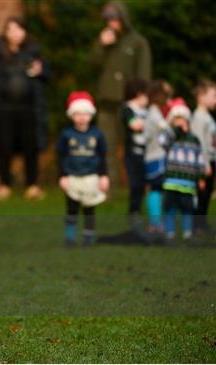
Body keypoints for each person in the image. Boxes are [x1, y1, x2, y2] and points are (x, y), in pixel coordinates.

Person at [0, 17, 49, 200]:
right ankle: (4, 184)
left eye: (19, 29)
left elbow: (46, 74)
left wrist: (41, 71)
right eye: (11, 29)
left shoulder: (33, 52)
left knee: (31, 146)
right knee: (4, 146)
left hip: (29, 109)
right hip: (4, 109)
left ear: (25, 31)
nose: (15, 33)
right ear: (6, 33)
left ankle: (32, 184)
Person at [89, 1, 151, 184]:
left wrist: (142, 98)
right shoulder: (103, 40)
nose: (111, 23)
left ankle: (139, 188)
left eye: (115, 19)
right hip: (107, 102)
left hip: (130, 105)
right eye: (108, 20)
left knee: (136, 149)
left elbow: (144, 73)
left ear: (123, 19)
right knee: (105, 147)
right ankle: (108, 187)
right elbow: (92, 65)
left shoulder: (138, 42)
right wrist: (101, 45)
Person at [56, 91, 109, 246]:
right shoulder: (66, 134)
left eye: (85, 114)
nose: (81, 117)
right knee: (72, 208)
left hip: (91, 177)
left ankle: (88, 236)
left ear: (91, 115)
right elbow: (60, 156)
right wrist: (62, 176)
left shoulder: (97, 134)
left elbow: (102, 156)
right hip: (72, 177)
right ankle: (70, 238)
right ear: (72, 115)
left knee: (89, 208)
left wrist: (103, 176)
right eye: (78, 114)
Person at [160, 98, 206, 245]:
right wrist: (174, 130)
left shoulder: (194, 140)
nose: (180, 122)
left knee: (188, 209)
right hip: (171, 182)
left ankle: (187, 234)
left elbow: (200, 159)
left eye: (182, 119)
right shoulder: (171, 138)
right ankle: (170, 234)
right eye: (176, 119)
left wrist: (201, 177)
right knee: (169, 209)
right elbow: (161, 140)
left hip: (188, 182)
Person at [144, 80, 173, 233]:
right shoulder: (154, 114)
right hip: (156, 157)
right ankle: (155, 223)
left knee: (157, 189)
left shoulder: (154, 112)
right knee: (156, 188)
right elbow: (167, 131)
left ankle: (156, 222)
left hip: (154, 156)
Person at [122, 79, 149, 231]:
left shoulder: (146, 111)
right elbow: (134, 125)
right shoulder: (128, 109)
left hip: (145, 154)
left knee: (143, 186)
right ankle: (133, 215)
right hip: (133, 154)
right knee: (136, 185)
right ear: (139, 94)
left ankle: (139, 213)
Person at [191, 80, 216, 235]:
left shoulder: (208, 117)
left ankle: (202, 223)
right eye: (213, 95)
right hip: (203, 163)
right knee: (201, 194)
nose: (215, 99)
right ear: (201, 96)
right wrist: (204, 164)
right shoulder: (199, 118)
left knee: (206, 194)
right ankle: (196, 225)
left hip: (211, 160)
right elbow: (199, 143)